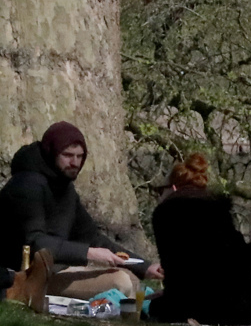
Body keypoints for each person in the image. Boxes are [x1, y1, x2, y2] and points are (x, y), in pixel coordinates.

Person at [0, 122, 162, 299]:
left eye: (80, 156)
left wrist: (144, 267)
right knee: (121, 281)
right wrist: (88, 254)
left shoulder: (64, 187)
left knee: (130, 278)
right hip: (21, 276)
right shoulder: (26, 185)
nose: (75, 163)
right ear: (51, 153)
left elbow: (92, 237)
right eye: (68, 155)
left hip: (55, 270)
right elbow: (34, 242)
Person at [147, 153, 251, 325]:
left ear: (174, 187)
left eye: (161, 189)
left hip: (188, 308)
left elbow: (177, 271)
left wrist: (169, 294)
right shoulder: (219, 210)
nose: (160, 195)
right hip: (230, 304)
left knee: (152, 307)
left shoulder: (165, 213)